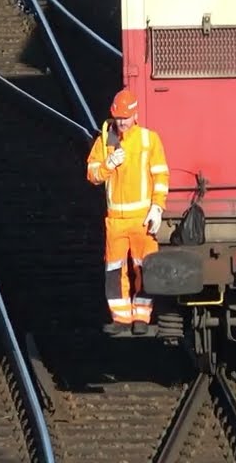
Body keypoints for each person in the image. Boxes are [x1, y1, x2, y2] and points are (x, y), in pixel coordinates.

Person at [86, 88, 170, 335]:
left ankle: (142, 317)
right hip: (116, 221)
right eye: (118, 118)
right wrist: (107, 165)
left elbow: (160, 175)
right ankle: (121, 318)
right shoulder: (105, 141)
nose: (121, 122)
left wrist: (157, 206)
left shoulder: (148, 140)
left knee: (144, 268)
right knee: (114, 270)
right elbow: (92, 174)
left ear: (135, 115)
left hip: (142, 219)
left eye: (125, 117)